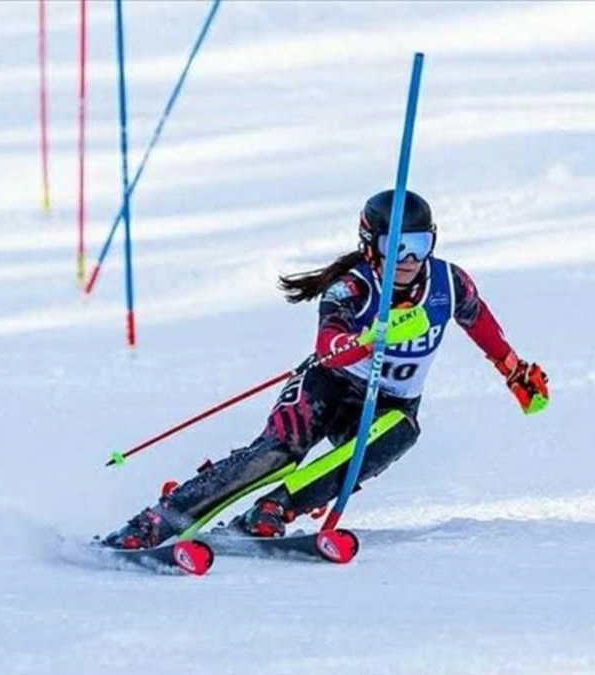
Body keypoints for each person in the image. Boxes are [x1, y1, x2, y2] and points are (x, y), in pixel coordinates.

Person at [102, 189, 550, 549]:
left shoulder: (448, 284)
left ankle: (277, 508)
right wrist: (369, 338)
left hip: (386, 405)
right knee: (278, 453)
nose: (410, 260)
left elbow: (480, 324)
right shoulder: (352, 287)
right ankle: (161, 518)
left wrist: (514, 372)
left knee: (400, 431)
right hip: (328, 386)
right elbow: (328, 348)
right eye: (396, 247)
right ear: (370, 247)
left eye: (420, 245)